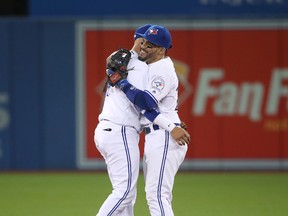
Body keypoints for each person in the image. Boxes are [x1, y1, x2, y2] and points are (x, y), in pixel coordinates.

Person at [94, 24, 190, 216]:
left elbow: (145, 103)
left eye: (150, 44)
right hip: (136, 132)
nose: (144, 46)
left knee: (150, 196)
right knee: (131, 194)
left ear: (161, 50)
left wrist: (172, 126)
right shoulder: (142, 65)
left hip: (158, 134)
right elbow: (145, 106)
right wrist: (172, 125)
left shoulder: (157, 68)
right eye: (143, 41)